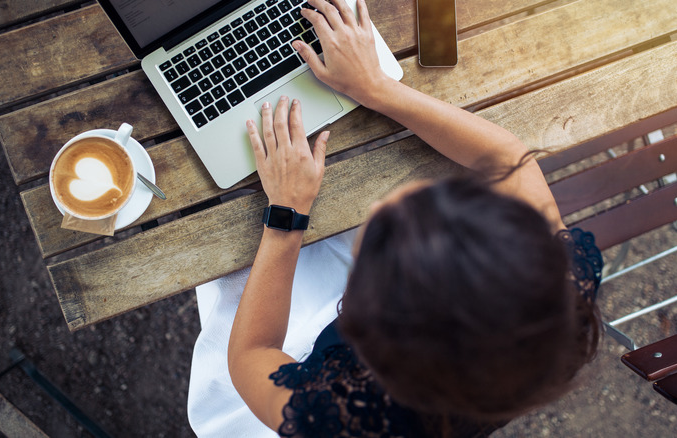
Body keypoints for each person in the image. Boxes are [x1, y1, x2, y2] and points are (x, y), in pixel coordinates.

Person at [188, 0, 603, 436]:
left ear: (370, 322)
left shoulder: (341, 415)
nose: (384, 203)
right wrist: (378, 88)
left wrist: (286, 215)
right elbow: (506, 160)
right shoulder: (558, 290)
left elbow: (252, 354)